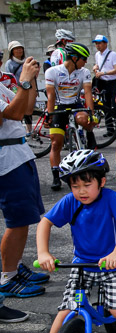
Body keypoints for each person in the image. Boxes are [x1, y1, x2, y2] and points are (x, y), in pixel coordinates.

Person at [34, 150, 116, 333]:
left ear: (101, 182)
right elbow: (45, 223)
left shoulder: (109, 197)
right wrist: (43, 253)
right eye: (74, 185)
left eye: (87, 184)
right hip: (82, 264)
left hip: (110, 264)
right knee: (65, 310)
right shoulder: (71, 201)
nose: (81, 191)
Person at [0, 58, 47, 310]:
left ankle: (15, 267)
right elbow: (14, 114)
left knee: (25, 218)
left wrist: (31, 82)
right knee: (16, 221)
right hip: (5, 161)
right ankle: (7, 277)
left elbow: (26, 109)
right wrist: (24, 81)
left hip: (18, 155)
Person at [45, 43, 97, 191]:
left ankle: (88, 132)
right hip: (59, 106)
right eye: (84, 58)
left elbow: (87, 93)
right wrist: (49, 114)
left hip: (76, 104)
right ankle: (56, 175)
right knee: (56, 143)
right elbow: (51, 95)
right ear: (74, 58)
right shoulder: (52, 72)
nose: (86, 62)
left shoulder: (84, 72)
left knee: (83, 119)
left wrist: (91, 115)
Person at [91, 34, 116, 134]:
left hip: (113, 81)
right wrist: (96, 68)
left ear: (105, 43)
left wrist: (104, 73)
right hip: (103, 82)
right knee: (105, 105)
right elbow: (98, 65)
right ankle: (110, 129)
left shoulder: (113, 54)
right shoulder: (97, 55)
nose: (97, 45)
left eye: (99, 43)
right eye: (96, 44)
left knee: (114, 104)